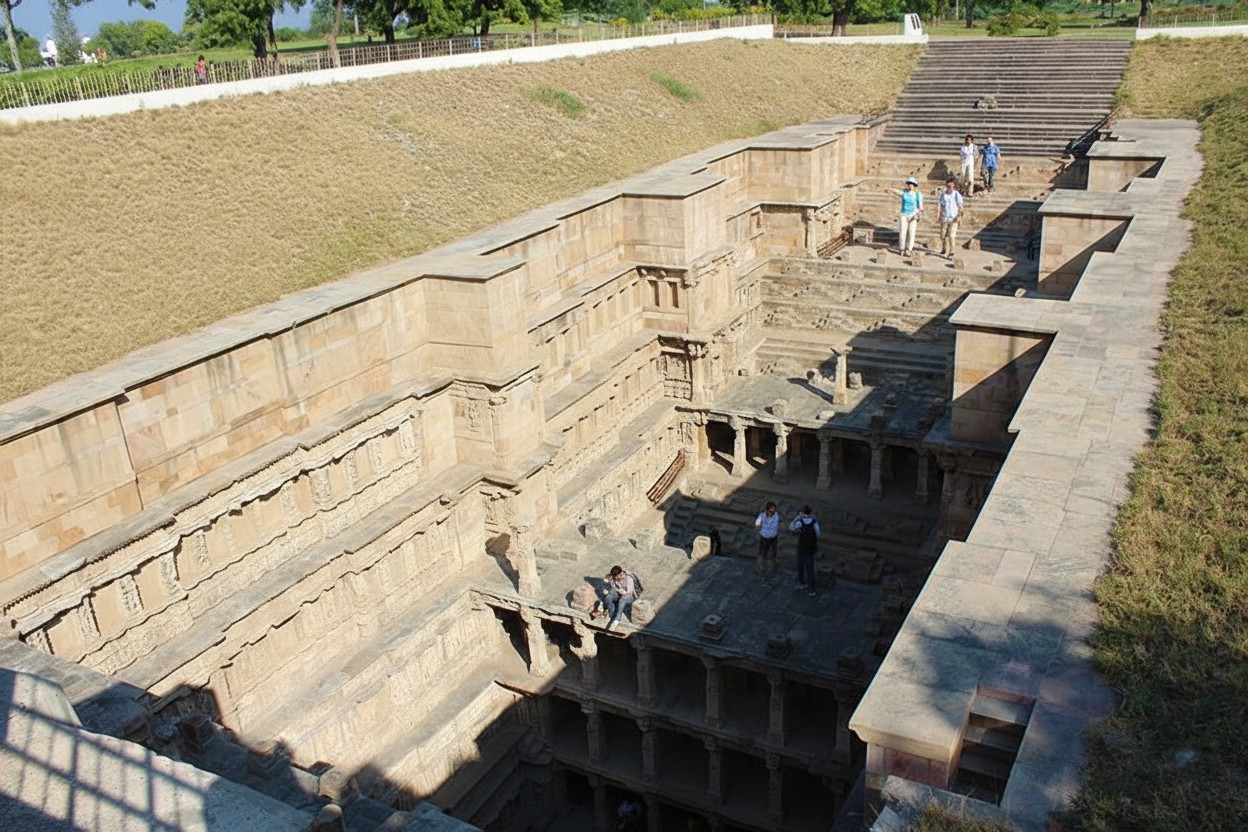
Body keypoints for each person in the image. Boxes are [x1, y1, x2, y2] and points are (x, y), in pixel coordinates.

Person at [789, 506, 820, 596]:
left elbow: (791, 527)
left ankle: (802, 583)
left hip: (802, 547)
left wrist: (798, 517)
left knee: (801, 566)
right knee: (810, 569)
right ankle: (812, 589)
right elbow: (818, 534)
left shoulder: (800, 522)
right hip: (811, 549)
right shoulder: (815, 523)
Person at [599, 565, 637, 629]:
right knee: (609, 597)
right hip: (619, 593)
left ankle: (617, 619)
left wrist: (617, 590)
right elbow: (611, 585)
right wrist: (605, 589)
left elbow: (628, 592)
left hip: (629, 596)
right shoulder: (613, 578)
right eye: (614, 577)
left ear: (620, 574)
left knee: (622, 600)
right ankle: (612, 615)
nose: (615, 578)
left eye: (616, 576)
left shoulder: (628, 579)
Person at [938, 177, 965, 258]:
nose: (950, 187)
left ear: (954, 186)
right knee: (942, 235)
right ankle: (944, 248)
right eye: (948, 186)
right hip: (945, 217)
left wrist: (959, 216)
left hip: (954, 217)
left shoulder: (957, 194)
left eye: (951, 186)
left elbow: (960, 206)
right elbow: (941, 205)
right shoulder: (944, 194)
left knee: (951, 235)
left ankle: (952, 251)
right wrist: (938, 215)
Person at [755, 502, 781, 581]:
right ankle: (761, 568)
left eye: (773, 509)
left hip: (773, 537)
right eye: (770, 510)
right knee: (762, 553)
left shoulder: (776, 516)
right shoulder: (762, 515)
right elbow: (757, 523)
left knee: (772, 553)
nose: (771, 512)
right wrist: (758, 525)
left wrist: (762, 525)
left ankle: (772, 568)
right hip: (764, 537)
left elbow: (772, 526)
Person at [897, 177, 923, 256]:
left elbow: (921, 206)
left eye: (911, 184)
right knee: (902, 232)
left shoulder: (918, 194)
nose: (910, 186)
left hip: (913, 214)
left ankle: (909, 249)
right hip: (904, 214)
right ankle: (901, 248)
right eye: (909, 184)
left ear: (914, 185)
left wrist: (917, 214)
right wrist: (890, 189)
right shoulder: (904, 192)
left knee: (911, 233)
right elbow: (898, 192)